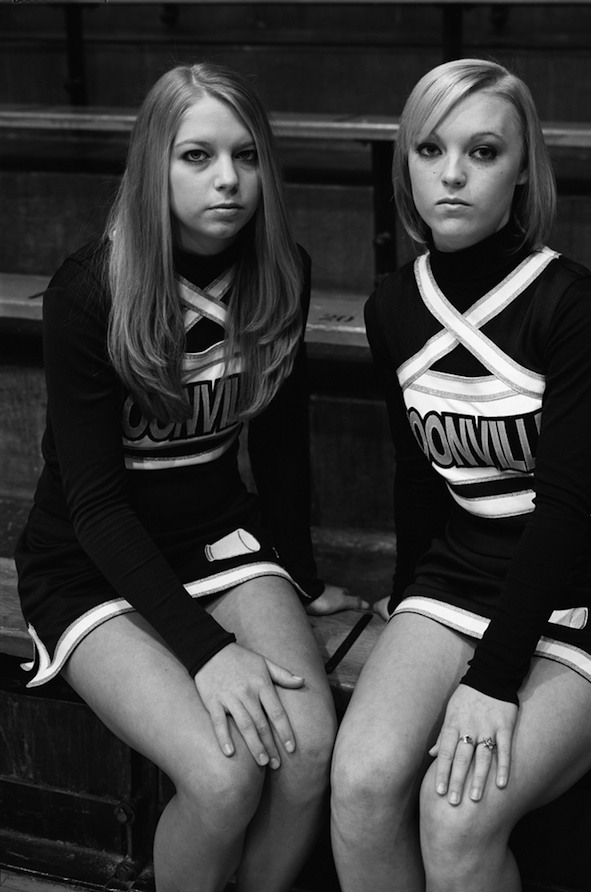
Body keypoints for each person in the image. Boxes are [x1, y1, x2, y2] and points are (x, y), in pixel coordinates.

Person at [330, 59, 591, 892]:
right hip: (465, 572)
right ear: (404, 162)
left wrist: (491, 679)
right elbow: (416, 473)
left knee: (456, 819)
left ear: (524, 168)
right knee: (361, 788)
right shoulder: (392, 306)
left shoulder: (573, 306)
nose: (451, 173)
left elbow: (564, 506)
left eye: (483, 151)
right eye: (429, 148)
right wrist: (406, 588)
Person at [15, 62, 362, 892]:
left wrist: (300, 575)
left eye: (246, 156)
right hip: (90, 561)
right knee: (222, 775)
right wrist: (209, 653)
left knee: (309, 750)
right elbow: (95, 505)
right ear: (153, 167)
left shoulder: (281, 271)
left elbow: (280, 446)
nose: (229, 180)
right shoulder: (90, 290)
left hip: (218, 538)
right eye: (197, 156)